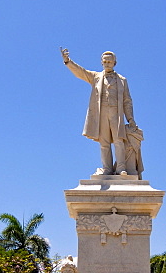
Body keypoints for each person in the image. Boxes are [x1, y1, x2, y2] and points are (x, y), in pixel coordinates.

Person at [60, 48, 139, 177]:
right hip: (101, 112)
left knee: (119, 140)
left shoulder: (122, 80)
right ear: (102, 63)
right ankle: (107, 168)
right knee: (104, 142)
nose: (107, 63)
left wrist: (130, 118)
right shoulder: (96, 77)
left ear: (114, 63)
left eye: (109, 61)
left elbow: (127, 101)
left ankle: (121, 168)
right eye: (105, 61)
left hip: (116, 112)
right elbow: (81, 72)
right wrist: (68, 62)